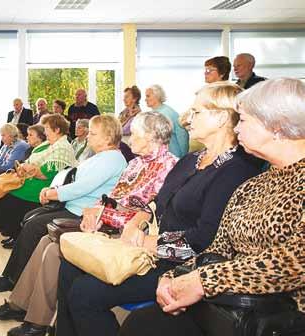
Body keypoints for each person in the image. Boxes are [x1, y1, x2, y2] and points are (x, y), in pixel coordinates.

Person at [56, 82, 263, 336]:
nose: (188, 118)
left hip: (182, 264)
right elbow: (156, 202)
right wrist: (137, 222)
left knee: (84, 294)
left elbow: (204, 239)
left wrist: (148, 242)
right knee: (69, 265)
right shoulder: (191, 160)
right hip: (150, 250)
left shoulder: (235, 171)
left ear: (221, 118)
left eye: (197, 112)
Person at [120, 78, 305, 336]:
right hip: (231, 307)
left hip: (281, 318)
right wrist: (175, 275)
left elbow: (293, 262)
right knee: (141, 324)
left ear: (277, 126)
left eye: (243, 120)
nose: (236, 128)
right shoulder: (255, 185)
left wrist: (202, 281)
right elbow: (218, 246)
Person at [0, 112, 178, 336]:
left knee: (53, 249)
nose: (129, 138)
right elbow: (112, 197)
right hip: (101, 222)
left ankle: (37, 321)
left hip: (121, 234)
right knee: (45, 242)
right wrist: (94, 210)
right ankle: (22, 305)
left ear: (152, 136)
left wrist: (99, 214)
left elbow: (145, 211)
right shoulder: (136, 163)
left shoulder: (168, 166)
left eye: (134, 134)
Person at [0, 114, 127, 292]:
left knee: (33, 226)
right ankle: (15, 278)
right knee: (30, 219)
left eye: (93, 133)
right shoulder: (102, 157)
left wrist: (52, 193)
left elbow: (81, 187)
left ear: (107, 137)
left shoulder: (111, 159)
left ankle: (12, 279)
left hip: (82, 213)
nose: (88, 136)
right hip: (73, 207)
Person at [0, 114, 77, 247]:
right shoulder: (51, 144)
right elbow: (32, 163)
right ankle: (13, 234)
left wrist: (28, 168)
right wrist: (25, 167)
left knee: (12, 195)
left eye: (47, 128)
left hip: (47, 185)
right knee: (8, 193)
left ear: (57, 130)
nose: (45, 132)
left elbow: (45, 174)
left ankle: (17, 237)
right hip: (36, 179)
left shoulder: (62, 147)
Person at [0, 124, 47, 226]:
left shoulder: (22, 146)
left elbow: (11, 165)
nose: (26, 137)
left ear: (40, 137)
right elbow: (3, 160)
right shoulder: (28, 148)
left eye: (30, 135)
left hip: (20, 175)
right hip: (17, 173)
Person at [145, 84, 189, 158]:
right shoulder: (155, 113)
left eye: (148, 96)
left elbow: (183, 136)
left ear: (157, 96)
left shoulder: (166, 113)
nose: (145, 99)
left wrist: (183, 158)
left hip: (172, 156)